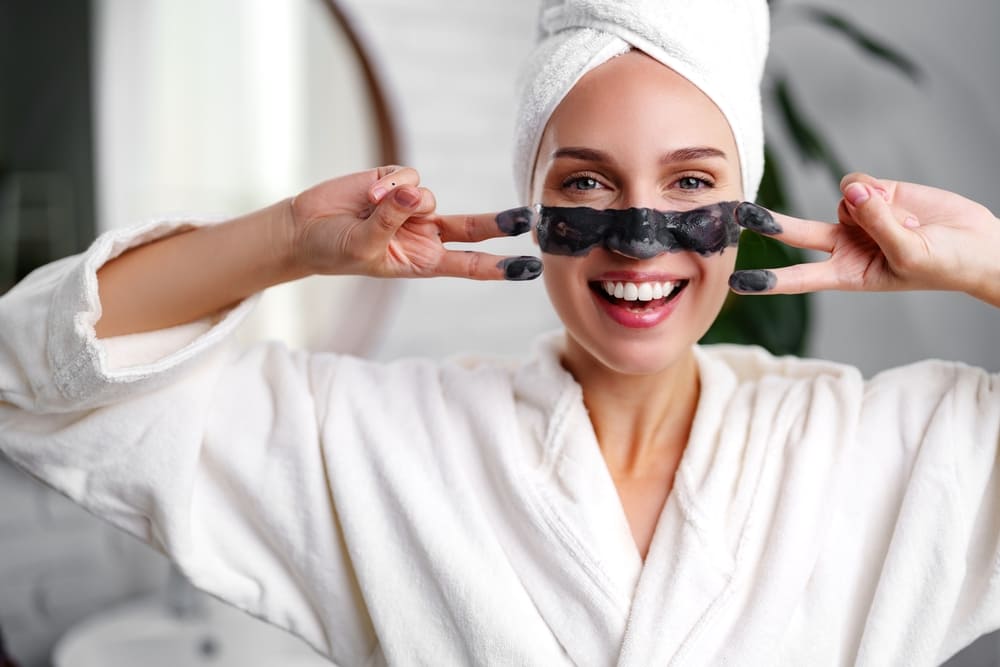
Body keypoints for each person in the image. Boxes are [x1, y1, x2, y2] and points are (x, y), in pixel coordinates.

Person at [1, 0, 999, 664]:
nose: (639, 238)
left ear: (744, 212)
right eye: (585, 184)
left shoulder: (868, 449)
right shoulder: (387, 442)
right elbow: (40, 379)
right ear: (531, 204)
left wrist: (985, 261)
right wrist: (286, 239)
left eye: (691, 183)